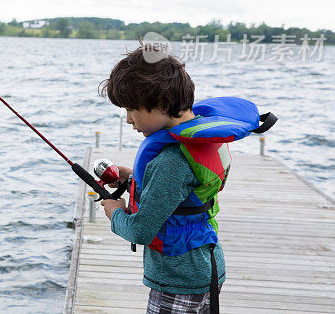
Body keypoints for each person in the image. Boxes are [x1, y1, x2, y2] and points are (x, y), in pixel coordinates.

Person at [97, 45, 275, 314]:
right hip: (206, 267)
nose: (129, 120)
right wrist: (133, 177)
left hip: (179, 280)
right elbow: (184, 191)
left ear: (161, 105)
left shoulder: (170, 162)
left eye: (132, 110)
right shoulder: (202, 140)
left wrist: (115, 213)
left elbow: (141, 231)